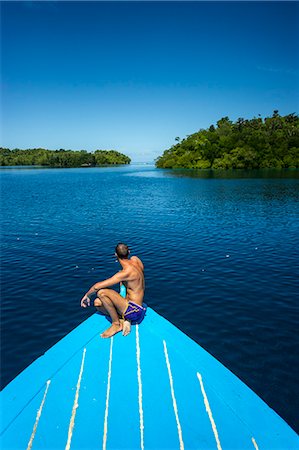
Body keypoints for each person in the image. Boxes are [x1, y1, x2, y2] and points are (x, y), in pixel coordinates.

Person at [80, 243, 145, 338]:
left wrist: (87, 296)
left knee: (101, 293)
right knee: (97, 303)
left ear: (115, 255)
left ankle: (116, 324)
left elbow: (97, 286)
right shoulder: (136, 260)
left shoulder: (125, 273)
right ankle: (124, 320)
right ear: (129, 252)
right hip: (135, 306)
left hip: (134, 311)